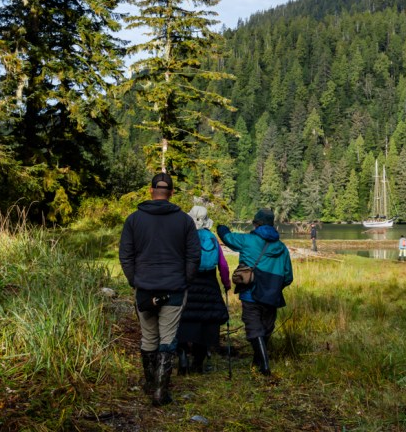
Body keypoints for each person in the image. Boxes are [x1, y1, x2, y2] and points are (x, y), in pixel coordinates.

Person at [119, 173, 200, 406]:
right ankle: (160, 392)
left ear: (150, 191)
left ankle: (149, 384)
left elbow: (125, 254)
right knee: (168, 339)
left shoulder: (134, 220)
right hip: (174, 288)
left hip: (144, 287)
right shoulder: (184, 221)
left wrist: (135, 280)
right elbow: (194, 256)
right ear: (172, 193)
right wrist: (184, 280)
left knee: (148, 338)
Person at [216, 208, 293, 376]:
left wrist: (221, 227)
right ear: (272, 225)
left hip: (250, 292)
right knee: (266, 328)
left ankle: (264, 366)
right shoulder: (282, 247)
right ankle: (257, 362)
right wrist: (273, 286)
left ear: (256, 223)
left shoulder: (247, 240)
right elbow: (288, 276)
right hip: (272, 295)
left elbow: (228, 238)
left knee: (254, 328)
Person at [176, 205, 230, 375]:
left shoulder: (185, 236)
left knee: (182, 320)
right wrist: (226, 283)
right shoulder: (212, 238)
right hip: (209, 283)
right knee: (207, 323)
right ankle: (197, 364)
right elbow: (222, 264)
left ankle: (183, 357)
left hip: (188, 282)